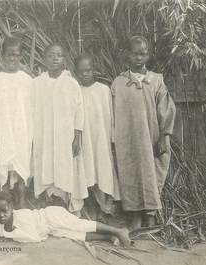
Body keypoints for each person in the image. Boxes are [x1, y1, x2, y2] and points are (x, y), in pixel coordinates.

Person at [111, 36, 176, 229]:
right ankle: (135, 216)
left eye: (144, 53)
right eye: (135, 53)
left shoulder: (156, 81)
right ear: (127, 55)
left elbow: (165, 108)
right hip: (128, 140)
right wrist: (114, 139)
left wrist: (164, 136)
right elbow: (113, 114)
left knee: (152, 172)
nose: (140, 57)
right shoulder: (119, 83)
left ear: (148, 55)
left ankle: (151, 215)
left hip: (152, 138)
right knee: (130, 173)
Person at [32, 44, 88, 214]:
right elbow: (31, 109)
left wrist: (77, 136)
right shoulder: (37, 84)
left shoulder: (71, 84)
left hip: (65, 136)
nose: (55, 58)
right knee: (46, 164)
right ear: (44, 59)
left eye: (59, 55)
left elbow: (79, 111)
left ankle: (63, 199)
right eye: (51, 55)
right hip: (44, 134)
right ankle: (49, 198)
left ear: (64, 60)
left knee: (64, 165)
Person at [0, 191, 130, 247]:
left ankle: (118, 230)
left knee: (80, 225)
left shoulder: (21, 216)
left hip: (51, 216)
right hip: (50, 228)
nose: (1, 216)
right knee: (76, 235)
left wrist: (11, 233)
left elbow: (34, 238)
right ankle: (109, 236)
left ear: (12, 208)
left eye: (4, 211)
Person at [0, 36, 33, 209]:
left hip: (22, 129)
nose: (12, 59)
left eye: (16, 55)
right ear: (2, 55)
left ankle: (21, 198)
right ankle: (5, 201)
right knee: (4, 162)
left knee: (21, 163)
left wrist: (31, 132)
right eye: (9, 55)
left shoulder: (27, 80)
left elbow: (31, 108)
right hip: (3, 129)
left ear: (21, 56)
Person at [75, 53, 121, 217]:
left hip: (101, 139)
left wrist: (112, 139)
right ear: (76, 72)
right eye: (81, 71)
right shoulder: (75, 91)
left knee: (102, 170)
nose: (85, 74)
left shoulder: (104, 90)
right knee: (87, 170)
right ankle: (90, 207)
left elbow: (111, 117)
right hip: (84, 140)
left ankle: (105, 209)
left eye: (88, 70)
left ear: (94, 70)